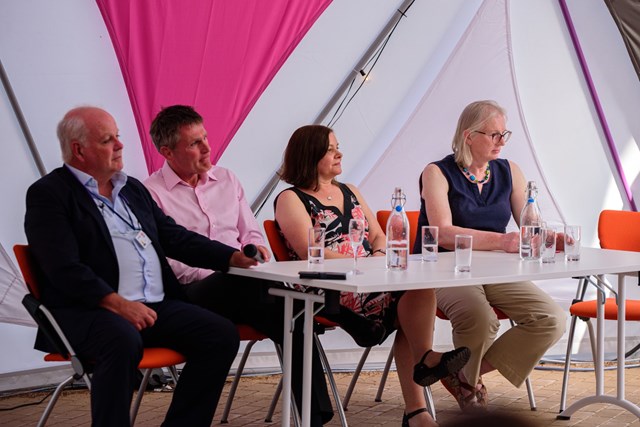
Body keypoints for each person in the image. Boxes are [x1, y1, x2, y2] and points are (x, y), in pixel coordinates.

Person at [23, 106, 249, 427]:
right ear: (79, 150)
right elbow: (63, 268)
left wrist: (230, 257)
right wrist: (118, 304)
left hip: (153, 306)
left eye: (118, 136)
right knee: (121, 337)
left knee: (220, 334)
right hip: (89, 311)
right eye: (107, 140)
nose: (119, 145)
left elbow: (174, 237)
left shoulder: (130, 188)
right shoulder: (51, 194)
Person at [143, 105, 333, 425]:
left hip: (246, 289)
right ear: (167, 152)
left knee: (288, 313)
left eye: (205, 138)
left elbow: (251, 231)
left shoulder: (227, 179)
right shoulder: (151, 193)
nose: (207, 147)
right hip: (194, 292)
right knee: (284, 302)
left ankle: (314, 417)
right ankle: (322, 310)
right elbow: (169, 259)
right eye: (194, 143)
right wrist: (228, 266)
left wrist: (256, 249)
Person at [274, 124, 471, 427]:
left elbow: (379, 237)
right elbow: (309, 251)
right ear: (309, 155)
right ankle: (425, 369)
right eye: (330, 149)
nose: (340, 153)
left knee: (418, 288)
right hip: (330, 289)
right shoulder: (291, 199)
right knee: (409, 308)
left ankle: (420, 398)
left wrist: (377, 259)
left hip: (372, 279)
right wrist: (362, 264)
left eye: (338, 146)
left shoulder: (350, 190)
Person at [415, 100, 566, 412]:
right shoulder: (436, 172)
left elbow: (529, 223)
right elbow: (442, 232)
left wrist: (550, 237)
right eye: (494, 134)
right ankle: (466, 386)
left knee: (551, 319)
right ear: (469, 136)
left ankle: (463, 375)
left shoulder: (509, 170)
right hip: (444, 269)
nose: (501, 141)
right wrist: (504, 241)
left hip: (496, 270)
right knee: (481, 319)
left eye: (504, 134)